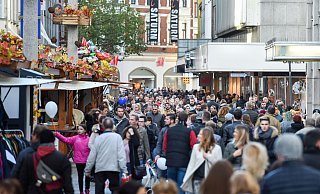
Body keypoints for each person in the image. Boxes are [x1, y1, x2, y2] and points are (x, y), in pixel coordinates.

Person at [18, 129, 74, 194]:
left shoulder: (29, 157)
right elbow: (67, 184)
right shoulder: (62, 159)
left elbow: (23, 180)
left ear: (39, 140)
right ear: (53, 141)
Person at [84, 117, 128, 193]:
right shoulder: (117, 137)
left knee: (99, 190)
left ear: (103, 126)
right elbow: (121, 155)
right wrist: (124, 169)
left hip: (100, 168)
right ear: (112, 126)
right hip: (113, 168)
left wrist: (88, 169)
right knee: (115, 189)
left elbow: (92, 156)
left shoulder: (98, 138)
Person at [163, 111, 198, 194]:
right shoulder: (189, 131)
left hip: (171, 161)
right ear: (187, 119)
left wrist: (167, 155)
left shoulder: (169, 130)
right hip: (183, 161)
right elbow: (194, 146)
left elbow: (165, 146)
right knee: (180, 186)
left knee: (171, 187)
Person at [181, 128, 222, 194]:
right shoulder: (196, 147)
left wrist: (208, 157)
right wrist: (186, 178)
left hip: (210, 180)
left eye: (200, 134)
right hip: (197, 178)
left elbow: (219, 165)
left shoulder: (217, 148)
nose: (198, 135)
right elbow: (192, 163)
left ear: (206, 136)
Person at [54, 124, 90, 194]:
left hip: (87, 160)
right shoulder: (75, 138)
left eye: (81, 129)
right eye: (78, 129)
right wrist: (58, 135)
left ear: (85, 130)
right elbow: (66, 140)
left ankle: (87, 189)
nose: (79, 130)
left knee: (87, 176)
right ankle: (81, 191)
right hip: (79, 161)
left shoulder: (89, 139)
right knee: (80, 176)